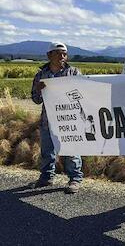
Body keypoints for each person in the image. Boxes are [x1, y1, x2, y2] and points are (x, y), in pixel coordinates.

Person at [31, 42, 83, 194]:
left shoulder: (73, 73)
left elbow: (82, 95)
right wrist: (39, 90)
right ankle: (46, 177)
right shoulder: (41, 75)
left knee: (71, 151)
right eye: (58, 53)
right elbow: (36, 99)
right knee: (47, 152)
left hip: (69, 120)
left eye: (64, 54)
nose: (62, 57)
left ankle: (75, 179)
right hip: (48, 121)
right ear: (49, 55)